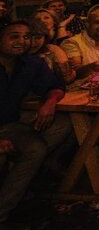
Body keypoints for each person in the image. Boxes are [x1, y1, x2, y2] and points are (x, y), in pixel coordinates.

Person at [0, 20, 72, 226]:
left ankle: (17, 190)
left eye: (26, 36)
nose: (22, 41)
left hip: (10, 125)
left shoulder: (30, 63)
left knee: (61, 124)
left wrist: (49, 102)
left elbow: (56, 85)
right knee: (31, 150)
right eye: (14, 36)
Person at [26, 16, 74, 84]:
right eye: (28, 38)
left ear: (45, 37)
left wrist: (67, 72)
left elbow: (67, 79)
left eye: (38, 38)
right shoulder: (16, 56)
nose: (33, 42)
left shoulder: (51, 50)